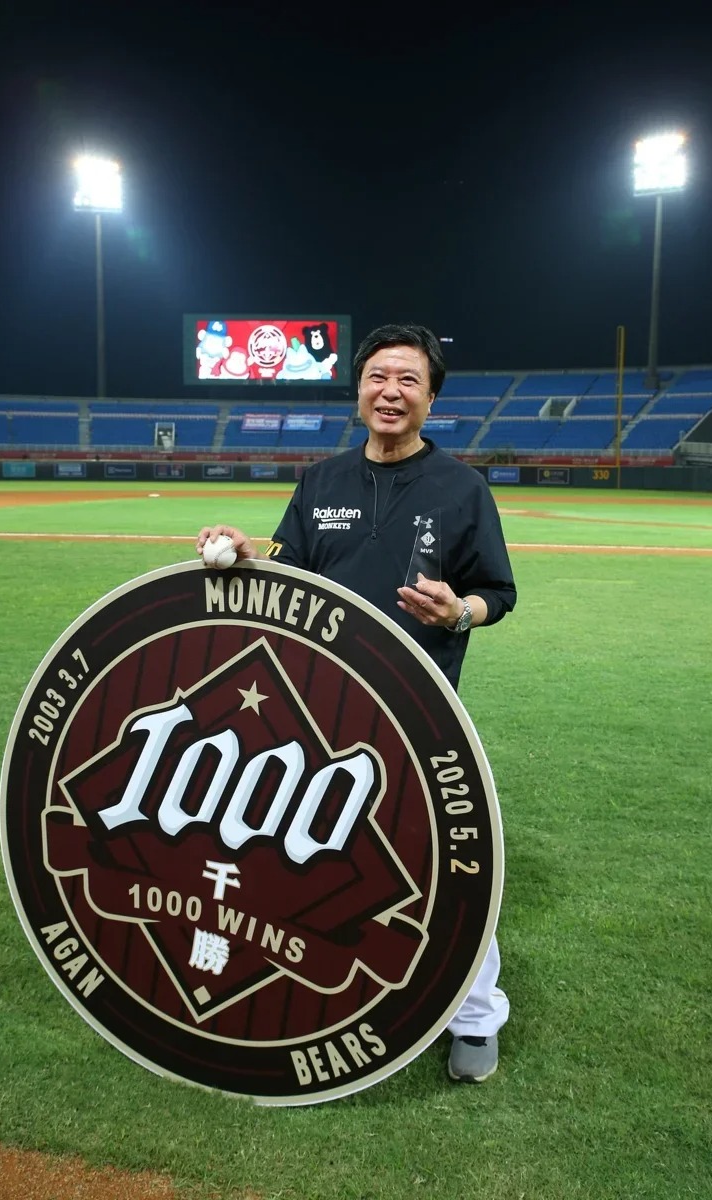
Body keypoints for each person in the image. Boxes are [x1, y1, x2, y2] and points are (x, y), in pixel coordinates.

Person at [197, 322, 517, 1084]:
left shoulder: (463, 489)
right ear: (359, 391)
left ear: (431, 400)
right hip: (317, 711)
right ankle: (296, 981)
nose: (390, 392)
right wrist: (248, 555)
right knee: (297, 850)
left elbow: (498, 593)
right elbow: (290, 573)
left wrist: (459, 612)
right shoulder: (321, 482)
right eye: (378, 377)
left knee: (442, 861)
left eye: (408, 380)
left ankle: (477, 1016)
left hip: (417, 709)